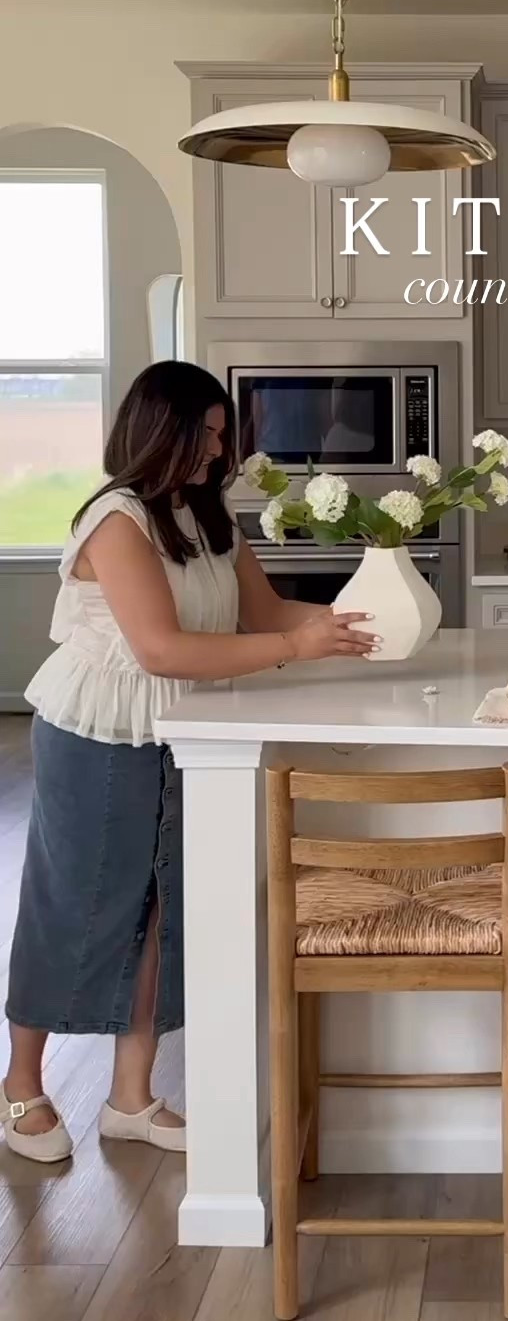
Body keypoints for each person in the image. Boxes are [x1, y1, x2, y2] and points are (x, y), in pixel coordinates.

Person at [2, 361, 378, 1162]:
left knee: (159, 911)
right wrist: (292, 648)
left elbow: (268, 611)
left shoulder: (207, 514)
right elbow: (162, 649)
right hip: (99, 731)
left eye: (221, 436)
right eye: (206, 435)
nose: (220, 451)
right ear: (161, 431)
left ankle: (129, 1100)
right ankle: (20, 1086)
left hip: (184, 729)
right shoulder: (116, 519)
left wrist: (367, 619)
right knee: (74, 904)